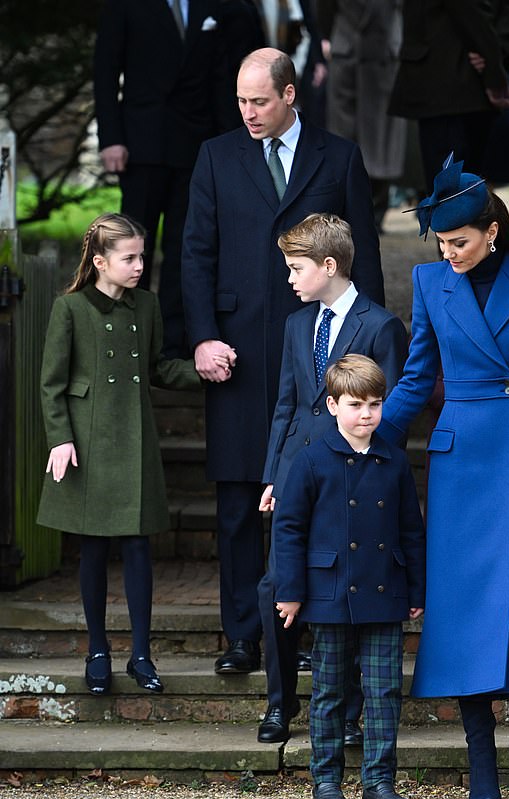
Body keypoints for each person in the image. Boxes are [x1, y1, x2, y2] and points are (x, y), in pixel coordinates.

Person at [379, 155, 509, 799]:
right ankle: (479, 759)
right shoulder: (430, 282)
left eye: (459, 241)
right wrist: (368, 439)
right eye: (441, 242)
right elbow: (415, 378)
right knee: (465, 612)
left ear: (493, 230)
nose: (449, 252)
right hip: (462, 466)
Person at [181, 48, 384, 676]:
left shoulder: (339, 155)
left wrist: (364, 349)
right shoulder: (216, 155)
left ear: (291, 95)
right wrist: (201, 338)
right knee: (240, 499)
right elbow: (194, 252)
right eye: (240, 101)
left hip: (318, 357)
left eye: (259, 101)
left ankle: (310, 638)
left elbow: (364, 258)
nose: (247, 113)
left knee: (320, 497)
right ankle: (244, 634)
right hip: (237, 355)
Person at [257, 213, 408, 744]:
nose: (290, 279)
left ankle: (347, 716)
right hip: (299, 473)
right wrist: (274, 475)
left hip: (355, 479)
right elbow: (287, 405)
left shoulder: (381, 324)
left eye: (296, 268)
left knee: (347, 590)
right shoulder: (298, 324)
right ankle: (281, 705)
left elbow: (388, 414)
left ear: (329, 265)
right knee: (276, 585)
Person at [37, 213, 202, 696]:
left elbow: (158, 368)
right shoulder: (69, 309)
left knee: (137, 550)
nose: (138, 266)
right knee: (92, 550)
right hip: (87, 445)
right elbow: (51, 385)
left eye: (141, 256)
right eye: (128, 258)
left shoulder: (146, 306)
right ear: (99, 261)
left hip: (134, 440)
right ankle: (97, 650)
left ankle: (142, 654)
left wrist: (205, 371)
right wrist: (60, 439)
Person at [274, 354, 425, 799]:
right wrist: (290, 592)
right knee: (329, 692)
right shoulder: (311, 460)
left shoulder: (394, 461)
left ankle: (378, 781)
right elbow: (289, 529)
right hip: (329, 593)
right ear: (334, 404)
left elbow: (411, 530)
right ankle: (326, 779)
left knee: (383, 693)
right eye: (357, 405)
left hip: (383, 591)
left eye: (375, 405)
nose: (367, 415)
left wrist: (416, 591)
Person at [94, 0, 264, 358]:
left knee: (185, 247)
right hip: (140, 145)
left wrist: (230, 145)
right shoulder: (125, 6)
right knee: (131, 246)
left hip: (194, 145)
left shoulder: (214, 5)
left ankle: (173, 344)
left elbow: (222, 75)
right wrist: (111, 137)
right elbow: (106, 69)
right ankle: (124, 340)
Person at [388, 0, 509, 192]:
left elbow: (498, 10)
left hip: (450, 82)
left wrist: (494, 64)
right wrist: (495, 60)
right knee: (458, 187)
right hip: (451, 79)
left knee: (454, 191)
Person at [316, 0, 407, 230]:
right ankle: (350, 208)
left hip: (382, 53)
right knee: (345, 138)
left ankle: (375, 208)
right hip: (351, 53)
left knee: (382, 140)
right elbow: (323, 10)